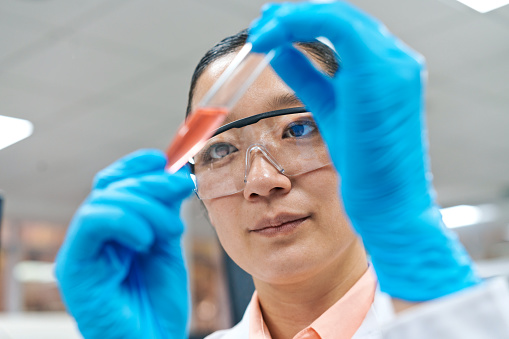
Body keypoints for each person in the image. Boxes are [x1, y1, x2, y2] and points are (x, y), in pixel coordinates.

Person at [55, 1, 509, 338]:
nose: (261, 182)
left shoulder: (472, 321)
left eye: (298, 129)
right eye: (219, 152)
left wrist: (430, 287)